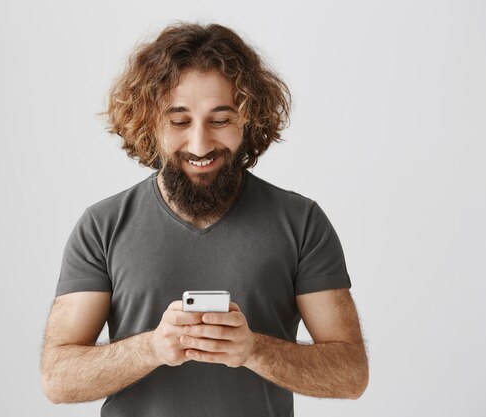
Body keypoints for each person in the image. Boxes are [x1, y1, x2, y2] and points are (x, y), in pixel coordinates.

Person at [40, 22, 368, 417]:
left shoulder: (301, 222)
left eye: (220, 119)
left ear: (249, 120)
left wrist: (253, 350)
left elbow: (351, 375)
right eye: (179, 121)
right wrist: (152, 348)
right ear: (149, 122)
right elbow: (57, 379)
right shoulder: (102, 226)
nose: (199, 144)